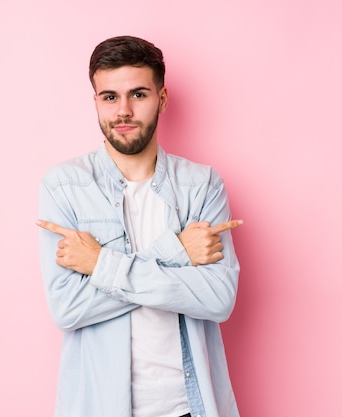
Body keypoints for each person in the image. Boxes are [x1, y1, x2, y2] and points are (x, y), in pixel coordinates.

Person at [37, 35, 243, 417]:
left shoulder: (202, 185)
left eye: (139, 94)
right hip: (101, 407)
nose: (124, 111)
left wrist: (100, 265)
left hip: (188, 407)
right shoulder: (63, 186)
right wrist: (176, 252)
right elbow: (67, 308)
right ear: (96, 102)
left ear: (162, 99)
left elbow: (219, 299)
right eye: (110, 97)